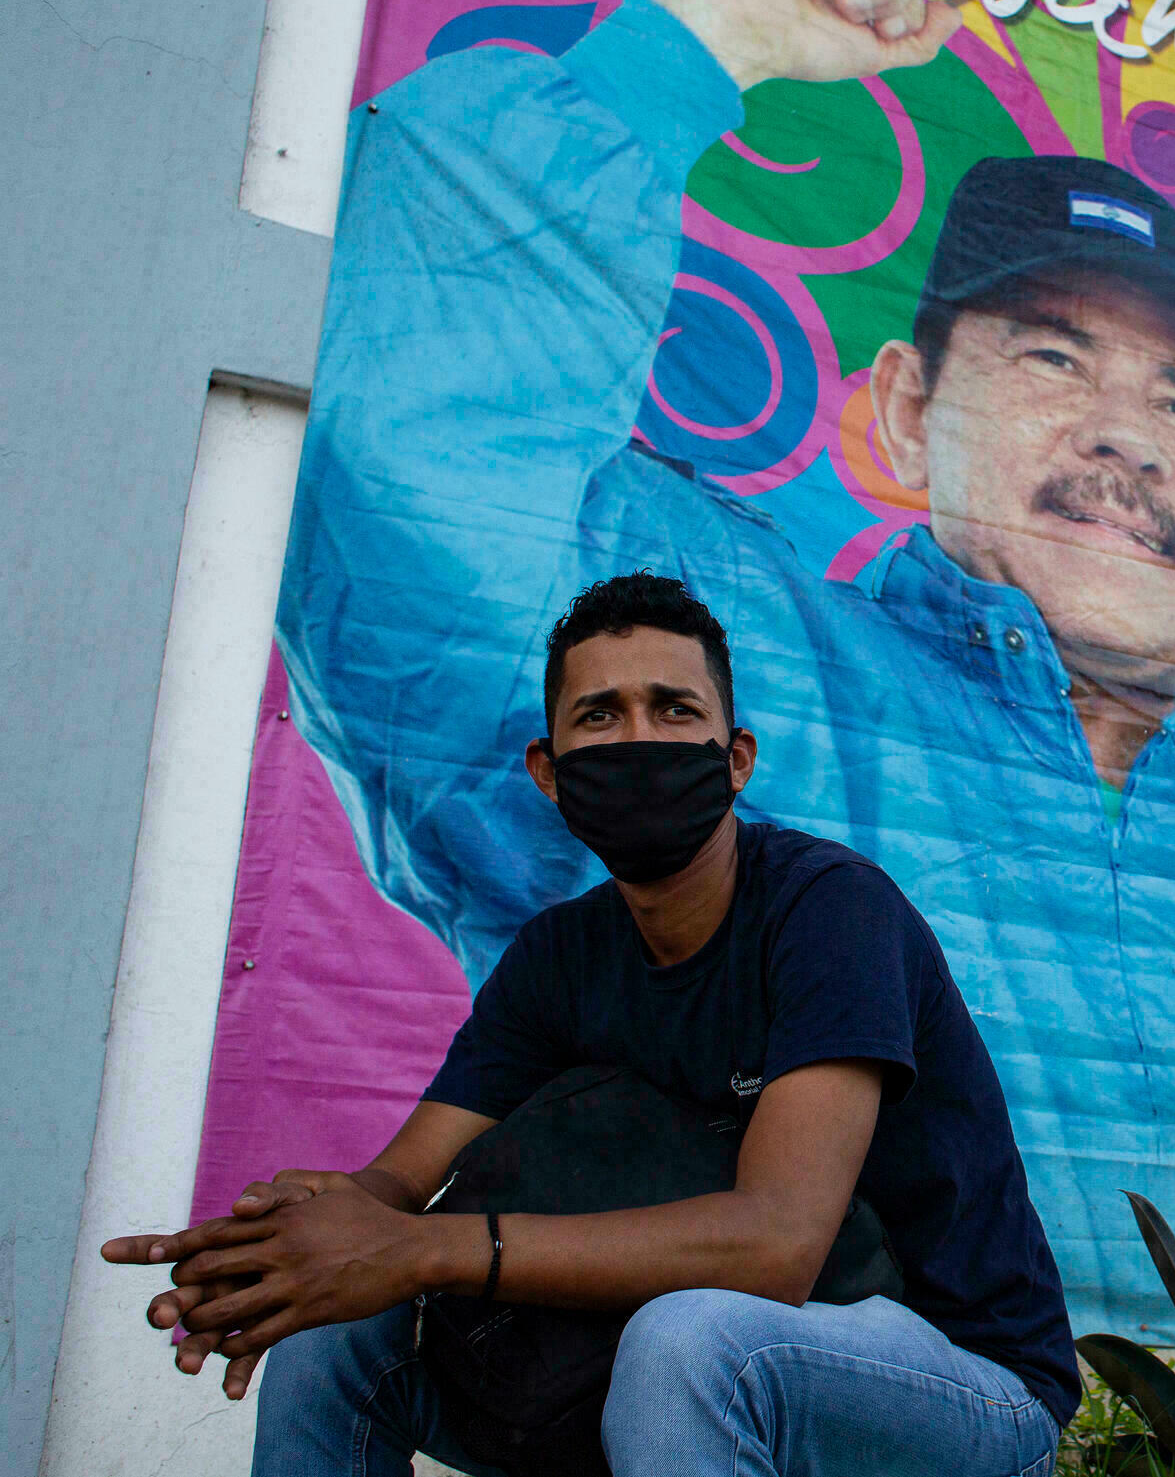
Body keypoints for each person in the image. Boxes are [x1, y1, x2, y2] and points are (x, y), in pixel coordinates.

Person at [279, 0, 1175, 1337]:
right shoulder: (717, 651)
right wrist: (705, 35)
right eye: (1052, 360)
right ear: (907, 416)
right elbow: (408, 453)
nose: (1130, 437)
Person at [105, 574, 1079, 1476]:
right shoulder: (557, 954)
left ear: (734, 756)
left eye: (674, 708)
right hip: (652, 1364)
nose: (638, 739)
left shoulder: (829, 910)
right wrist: (289, 1247)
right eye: (600, 714)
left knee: (689, 1340)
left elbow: (775, 1243)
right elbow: (397, 1182)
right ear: (549, 768)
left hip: (961, 1380)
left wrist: (428, 1247)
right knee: (333, 1332)